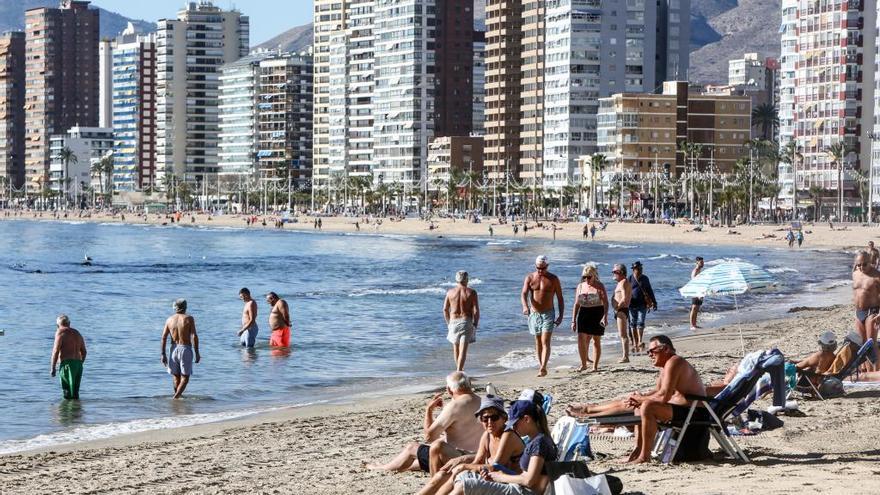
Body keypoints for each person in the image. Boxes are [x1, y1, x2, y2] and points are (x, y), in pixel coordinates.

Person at [367, 372, 483, 475]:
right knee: (427, 454)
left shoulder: (455, 406)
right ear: (470, 384)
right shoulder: (484, 401)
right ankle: (400, 467)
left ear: (449, 389)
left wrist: (429, 410)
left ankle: (382, 468)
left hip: (457, 458)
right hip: (478, 457)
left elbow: (429, 437)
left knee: (411, 448)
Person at [418, 395, 524, 495]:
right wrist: (463, 469)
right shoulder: (487, 435)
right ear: (480, 420)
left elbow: (495, 467)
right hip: (491, 477)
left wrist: (464, 466)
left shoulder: (508, 435)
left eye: (494, 417)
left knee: (461, 478)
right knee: (443, 475)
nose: (490, 422)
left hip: (512, 483)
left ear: (504, 418)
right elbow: (477, 462)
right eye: (485, 418)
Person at [449, 399, 558, 495]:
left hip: (524, 492)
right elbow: (525, 475)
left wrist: (501, 477)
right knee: (463, 477)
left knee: (466, 484)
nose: (514, 428)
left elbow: (529, 481)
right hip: (518, 487)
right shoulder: (535, 440)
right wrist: (499, 474)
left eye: (515, 424)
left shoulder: (539, 443)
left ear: (527, 419)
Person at [521, 255, 564, 377]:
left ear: (547, 266)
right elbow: (524, 293)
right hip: (534, 313)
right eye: (538, 268)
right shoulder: (530, 277)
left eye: (543, 268)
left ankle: (543, 367)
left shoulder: (553, 279)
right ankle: (541, 366)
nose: (540, 271)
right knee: (538, 341)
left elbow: (560, 298)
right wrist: (525, 306)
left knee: (545, 340)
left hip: (548, 313)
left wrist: (561, 316)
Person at [160, 299, 201, 399]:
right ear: (185, 307)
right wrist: (197, 352)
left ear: (175, 308)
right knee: (185, 377)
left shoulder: (169, 319)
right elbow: (194, 336)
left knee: (176, 376)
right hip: (185, 348)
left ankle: (178, 398)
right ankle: (176, 397)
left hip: (173, 349)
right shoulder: (189, 318)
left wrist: (163, 354)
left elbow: (163, 337)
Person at [570, 264, 608, 371]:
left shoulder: (600, 286)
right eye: (584, 277)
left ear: (594, 276)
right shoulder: (580, 286)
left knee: (596, 340)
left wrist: (605, 316)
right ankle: (583, 364)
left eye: (589, 277)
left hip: (597, 312)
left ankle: (595, 366)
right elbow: (576, 304)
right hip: (583, 312)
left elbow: (605, 303)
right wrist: (573, 320)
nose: (587, 279)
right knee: (581, 338)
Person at [444, 271, 481, 371]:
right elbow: (476, 311)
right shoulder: (471, 292)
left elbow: (445, 309)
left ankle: (459, 370)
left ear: (456, 280)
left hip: (453, 321)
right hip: (466, 321)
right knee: (463, 350)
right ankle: (459, 371)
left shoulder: (450, 292)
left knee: (456, 348)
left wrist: (448, 323)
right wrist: (475, 324)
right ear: (467, 279)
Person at [852, 250, 880, 371]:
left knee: (871, 344)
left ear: (871, 262)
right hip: (858, 312)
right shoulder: (855, 273)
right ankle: (866, 369)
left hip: (872, 311)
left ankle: (876, 371)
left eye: (864, 264)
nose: (861, 267)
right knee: (861, 344)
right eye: (859, 264)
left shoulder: (877, 276)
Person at [50, 314, 86, 400]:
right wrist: (80, 364)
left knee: (67, 393)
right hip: (78, 365)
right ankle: (77, 412)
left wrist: (53, 368)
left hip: (67, 365)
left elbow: (55, 351)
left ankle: (66, 413)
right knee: (75, 393)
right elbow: (84, 351)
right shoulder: (77, 333)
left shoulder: (60, 332)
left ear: (57, 325)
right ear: (69, 323)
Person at [627, 261, 657, 353]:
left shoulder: (645, 278)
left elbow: (650, 290)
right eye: (638, 269)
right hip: (631, 305)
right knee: (633, 323)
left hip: (643, 304)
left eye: (641, 268)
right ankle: (635, 342)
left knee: (640, 322)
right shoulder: (629, 279)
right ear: (633, 270)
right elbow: (625, 291)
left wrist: (654, 302)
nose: (640, 270)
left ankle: (640, 341)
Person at [611, 264, 632, 363]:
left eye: (615, 272)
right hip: (621, 310)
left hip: (622, 310)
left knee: (623, 334)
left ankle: (625, 356)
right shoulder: (621, 282)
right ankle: (625, 355)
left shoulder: (623, 282)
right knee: (622, 334)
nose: (613, 274)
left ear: (621, 273)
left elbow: (624, 298)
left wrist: (617, 307)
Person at [689, 257, 705, 330]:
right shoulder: (695, 271)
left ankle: (694, 324)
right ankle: (692, 325)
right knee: (694, 308)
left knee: (697, 308)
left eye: (703, 262)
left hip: (700, 291)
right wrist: (698, 294)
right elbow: (694, 282)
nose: (702, 263)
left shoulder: (699, 270)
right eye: (701, 262)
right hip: (696, 291)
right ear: (697, 263)